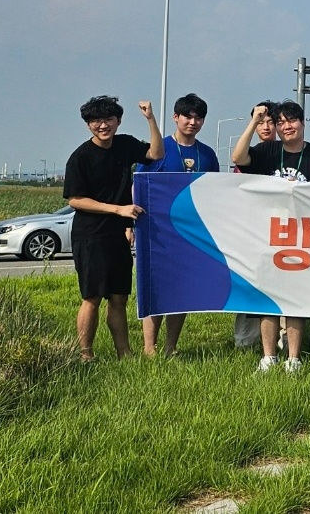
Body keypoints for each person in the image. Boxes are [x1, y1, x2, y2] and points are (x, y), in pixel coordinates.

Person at [231, 100, 310, 373]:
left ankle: (294, 358)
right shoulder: (268, 150)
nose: (286, 126)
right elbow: (238, 158)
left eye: (292, 121)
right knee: (269, 299)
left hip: (303, 237)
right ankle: (268, 357)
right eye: (281, 123)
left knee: (295, 299)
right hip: (269, 235)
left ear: (302, 123)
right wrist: (255, 121)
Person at [63, 96, 164, 362]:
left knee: (119, 297)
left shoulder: (125, 144)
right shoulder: (80, 157)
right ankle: (85, 354)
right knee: (92, 297)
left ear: (118, 121)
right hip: (90, 234)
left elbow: (156, 154)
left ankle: (125, 354)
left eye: (108, 119)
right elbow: (75, 199)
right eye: (96, 121)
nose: (103, 125)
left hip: (119, 234)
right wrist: (118, 209)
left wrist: (150, 118)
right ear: (88, 125)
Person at [137, 93, 221, 357]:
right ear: (176, 117)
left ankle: (172, 347)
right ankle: (149, 348)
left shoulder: (206, 154)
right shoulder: (157, 149)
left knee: (181, 292)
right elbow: (139, 186)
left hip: (191, 234)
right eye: (187, 116)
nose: (192, 122)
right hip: (158, 233)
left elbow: (215, 191)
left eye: (198, 118)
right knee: (156, 289)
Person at [234, 100, 279, 348]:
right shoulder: (256, 154)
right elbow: (237, 157)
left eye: (271, 122)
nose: (265, 126)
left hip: (285, 232)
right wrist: (254, 119)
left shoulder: (290, 152)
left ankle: (282, 339)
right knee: (251, 283)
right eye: (260, 122)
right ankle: (246, 339)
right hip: (253, 230)